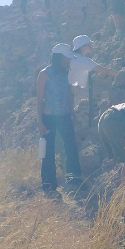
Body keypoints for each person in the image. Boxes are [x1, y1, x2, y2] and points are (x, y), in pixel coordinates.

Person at [36, 44, 82, 194]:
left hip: (64, 115)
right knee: (48, 149)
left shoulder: (64, 72)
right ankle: (48, 184)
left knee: (70, 146)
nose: (69, 61)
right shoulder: (44, 74)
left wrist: (72, 113)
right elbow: (40, 99)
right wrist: (40, 122)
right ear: (60, 57)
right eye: (67, 58)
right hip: (49, 117)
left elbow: (68, 95)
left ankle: (74, 179)